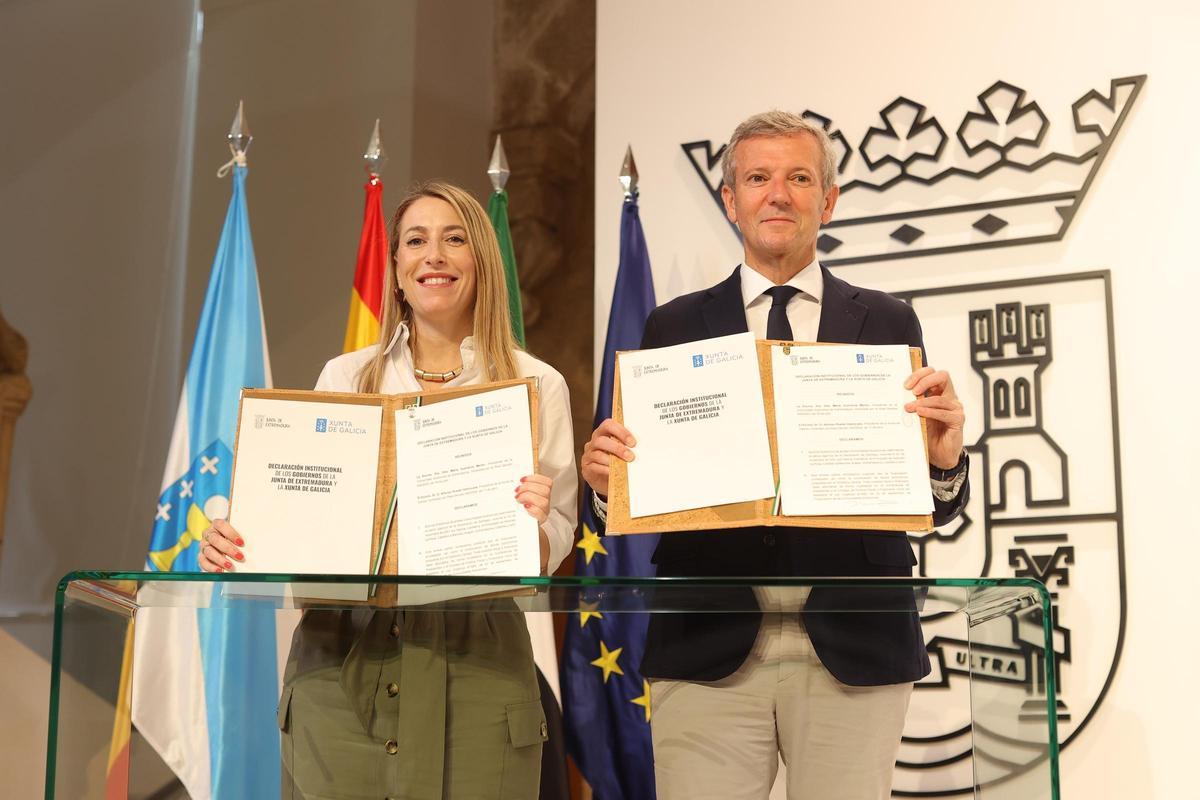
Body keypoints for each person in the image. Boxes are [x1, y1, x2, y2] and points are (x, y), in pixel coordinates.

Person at [582, 111, 970, 800]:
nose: (778, 194)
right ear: (730, 200)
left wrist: (941, 463)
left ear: (829, 200)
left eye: (799, 178)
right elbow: (639, 491)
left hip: (854, 637)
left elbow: (929, 507)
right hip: (707, 638)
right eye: (758, 178)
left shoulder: (887, 321)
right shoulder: (672, 325)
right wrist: (610, 482)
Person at [199, 181, 578, 799]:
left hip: (480, 660)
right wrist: (239, 540)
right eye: (416, 241)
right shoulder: (345, 376)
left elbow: (556, 539)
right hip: (342, 656)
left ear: (481, 260)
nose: (434, 255)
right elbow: (302, 514)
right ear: (397, 270)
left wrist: (534, 526)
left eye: (455, 239)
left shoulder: (537, 384)